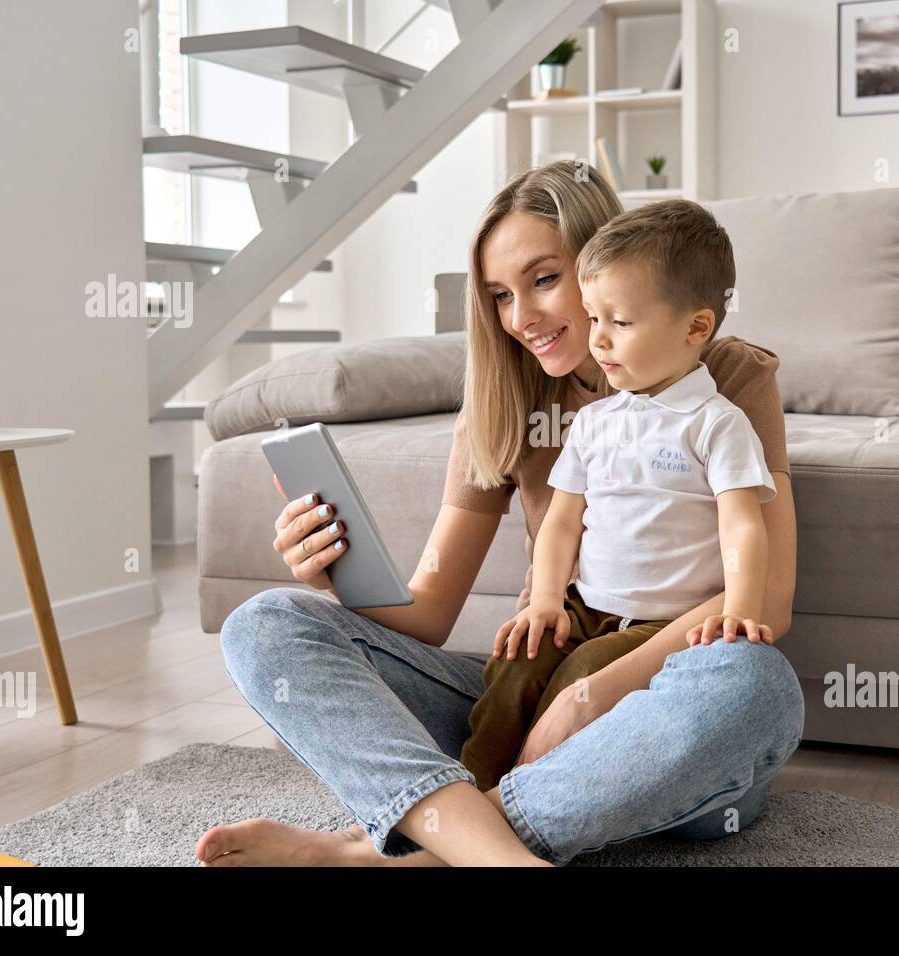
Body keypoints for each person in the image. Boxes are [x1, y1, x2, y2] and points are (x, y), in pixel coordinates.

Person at [195, 161, 804, 867]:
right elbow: (427, 615)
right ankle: (496, 850)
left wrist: (591, 698)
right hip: (524, 703)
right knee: (266, 625)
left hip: (660, 717)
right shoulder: (503, 404)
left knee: (754, 684)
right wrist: (331, 575)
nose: (521, 319)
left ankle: (386, 855)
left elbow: (768, 600)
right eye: (499, 297)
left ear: (606, 260)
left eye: (545, 280)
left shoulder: (726, 377)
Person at [460, 199, 777, 793]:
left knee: (581, 675)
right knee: (515, 664)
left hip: (660, 622)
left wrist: (741, 605)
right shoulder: (594, 422)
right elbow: (560, 525)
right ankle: (468, 788)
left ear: (696, 328)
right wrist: (545, 601)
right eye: (593, 318)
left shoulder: (717, 423)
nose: (599, 341)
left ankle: (526, 795)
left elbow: (742, 526)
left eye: (620, 323)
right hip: (584, 606)